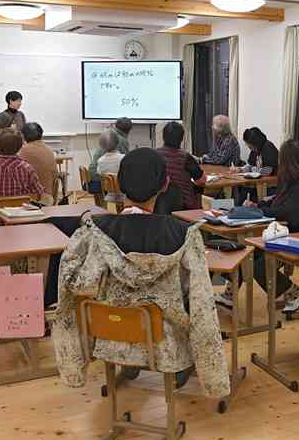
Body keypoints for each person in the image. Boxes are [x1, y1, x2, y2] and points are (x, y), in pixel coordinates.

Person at [52, 148, 229, 398]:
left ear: (119, 185)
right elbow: (202, 305)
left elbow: (78, 285)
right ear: (165, 184)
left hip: (111, 337)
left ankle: (126, 369)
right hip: (166, 344)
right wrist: (214, 378)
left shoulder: (94, 232)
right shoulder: (185, 234)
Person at [215, 140, 299, 313]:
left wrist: (261, 209)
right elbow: (279, 205)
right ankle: (230, 294)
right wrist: (260, 205)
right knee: (244, 253)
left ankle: (295, 293)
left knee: (260, 265)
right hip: (294, 236)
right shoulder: (295, 183)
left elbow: (285, 213)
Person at [157, 121, 207, 210]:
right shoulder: (186, 157)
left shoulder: (155, 155)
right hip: (184, 206)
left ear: (163, 136)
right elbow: (202, 181)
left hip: (158, 205)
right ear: (181, 138)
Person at [234, 126, 278, 205]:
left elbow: (267, 171)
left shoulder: (268, 148)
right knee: (242, 189)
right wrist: (240, 169)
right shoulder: (255, 149)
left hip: (270, 184)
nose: (248, 147)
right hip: (258, 182)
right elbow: (250, 165)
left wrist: (252, 170)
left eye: (249, 145)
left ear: (255, 142)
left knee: (246, 191)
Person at [18, 122, 58, 204]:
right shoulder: (49, 150)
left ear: (23, 136)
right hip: (48, 198)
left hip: (29, 200)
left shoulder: (22, 151)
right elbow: (55, 174)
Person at [87, 117, 133, 185]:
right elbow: (126, 164)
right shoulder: (120, 140)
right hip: (103, 181)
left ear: (115, 125)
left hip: (93, 175)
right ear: (129, 130)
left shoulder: (109, 135)